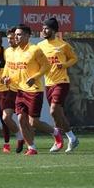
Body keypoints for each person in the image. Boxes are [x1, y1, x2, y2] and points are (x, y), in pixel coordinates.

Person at [1, 24, 59, 156]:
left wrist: (35, 77)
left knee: (34, 122)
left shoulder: (34, 50)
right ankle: (31, 147)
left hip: (34, 90)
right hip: (19, 90)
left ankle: (56, 133)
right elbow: (11, 69)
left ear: (27, 36)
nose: (16, 37)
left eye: (19, 34)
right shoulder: (11, 52)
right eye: (15, 34)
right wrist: (6, 78)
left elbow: (46, 66)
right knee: (21, 119)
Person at [37, 18, 80, 152]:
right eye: (43, 28)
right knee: (58, 114)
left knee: (53, 110)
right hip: (48, 83)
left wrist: (64, 65)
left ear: (54, 30)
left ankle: (60, 138)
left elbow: (74, 58)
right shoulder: (40, 46)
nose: (44, 30)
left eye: (47, 28)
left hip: (61, 82)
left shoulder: (63, 45)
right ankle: (71, 139)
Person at [1, 26, 25, 153]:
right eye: (8, 38)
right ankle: (20, 137)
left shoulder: (24, 51)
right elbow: (8, 66)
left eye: (13, 38)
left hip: (25, 90)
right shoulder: (8, 51)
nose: (10, 40)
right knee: (5, 117)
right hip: (12, 90)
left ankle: (32, 145)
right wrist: (4, 77)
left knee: (26, 121)